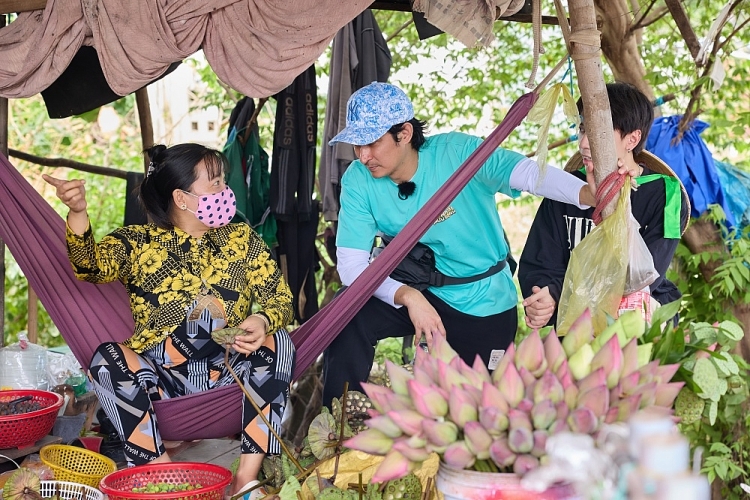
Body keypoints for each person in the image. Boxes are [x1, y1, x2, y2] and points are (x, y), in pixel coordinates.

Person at [321, 81, 634, 407]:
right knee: (347, 315)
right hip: (417, 289)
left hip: (482, 300)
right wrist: (408, 297)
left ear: (404, 134)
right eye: (357, 145)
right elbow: (352, 268)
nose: (363, 155)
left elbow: (525, 173)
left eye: (371, 143)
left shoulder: (456, 154)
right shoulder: (358, 179)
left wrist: (586, 194)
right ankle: (339, 429)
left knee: (481, 407)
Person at [43, 143, 295, 500]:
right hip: (161, 381)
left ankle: (246, 481)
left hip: (229, 375)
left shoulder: (242, 239)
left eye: (224, 181)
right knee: (106, 359)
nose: (226, 191)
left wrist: (260, 318)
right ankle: (164, 473)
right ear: (182, 197)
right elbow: (89, 266)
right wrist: (78, 212)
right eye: (216, 184)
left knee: (280, 341)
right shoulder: (137, 243)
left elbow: (281, 299)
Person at [518, 82, 689, 329]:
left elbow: (641, 278)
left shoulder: (666, 195)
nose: (584, 142)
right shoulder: (566, 190)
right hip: (577, 324)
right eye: (582, 129)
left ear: (632, 139)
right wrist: (547, 297)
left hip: (638, 325)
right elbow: (540, 263)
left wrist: (620, 202)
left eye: (598, 133)